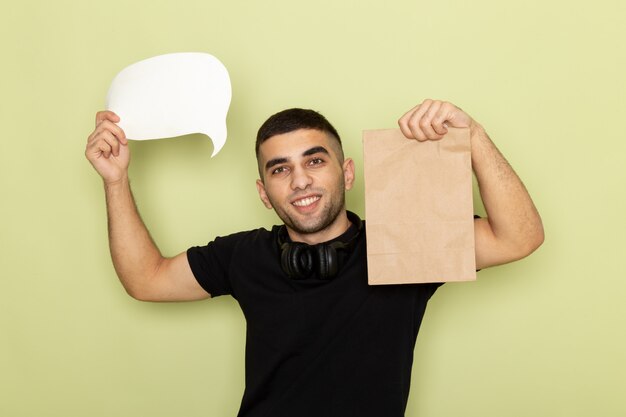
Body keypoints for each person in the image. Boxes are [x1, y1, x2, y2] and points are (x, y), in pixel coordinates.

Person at [85, 99, 544, 417]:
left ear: (346, 173)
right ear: (264, 194)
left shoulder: (408, 241)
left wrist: (474, 138)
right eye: (280, 169)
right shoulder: (242, 255)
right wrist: (114, 179)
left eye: (315, 161)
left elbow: (519, 237)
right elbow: (147, 279)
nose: (300, 180)